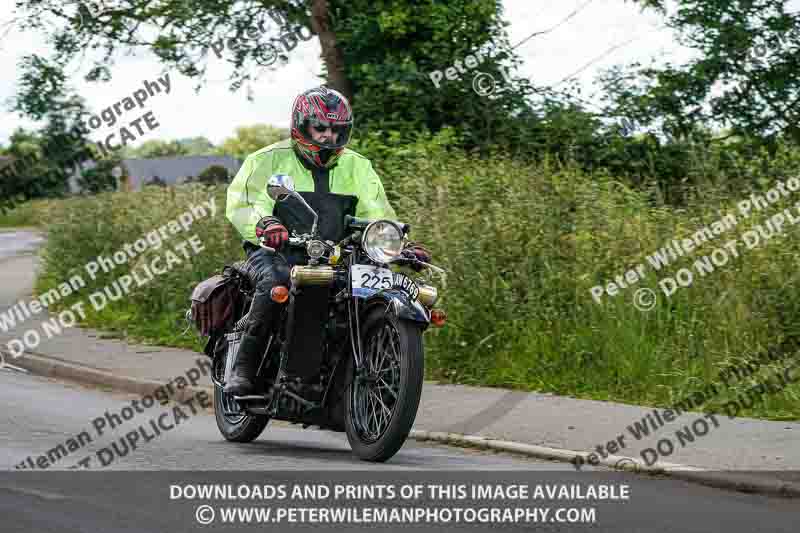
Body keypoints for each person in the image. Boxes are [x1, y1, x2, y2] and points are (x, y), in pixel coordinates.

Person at [224, 86, 429, 396]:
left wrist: (396, 243)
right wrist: (265, 223)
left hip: (335, 255)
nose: (328, 137)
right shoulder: (266, 159)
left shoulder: (357, 165)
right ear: (301, 125)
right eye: (320, 128)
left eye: (336, 130)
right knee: (276, 283)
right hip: (275, 251)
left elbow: (377, 212)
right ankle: (244, 367)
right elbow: (244, 202)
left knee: (376, 289)